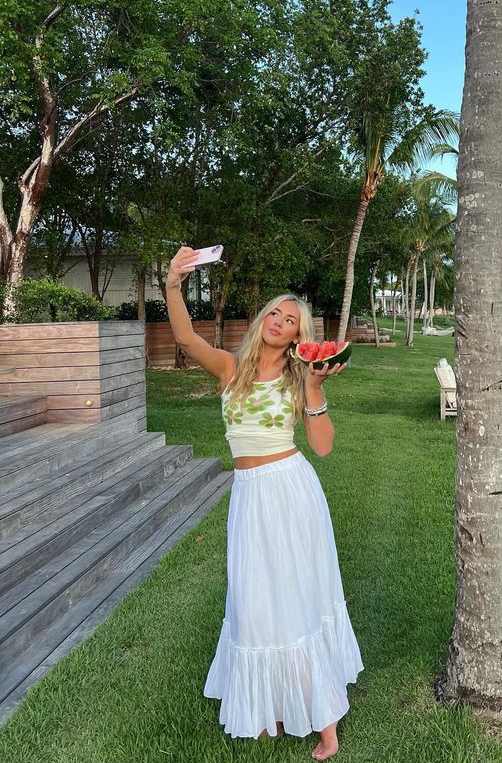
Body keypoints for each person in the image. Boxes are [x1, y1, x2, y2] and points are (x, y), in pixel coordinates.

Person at [165, 246, 363, 761]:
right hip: (249, 498)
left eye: (290, 319)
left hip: (291, 491)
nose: (278, 321)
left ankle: (326, 725)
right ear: (261, 321)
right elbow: (184, 336)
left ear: (300, 335)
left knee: (296, 599)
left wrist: (317, 388)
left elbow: (322, 446)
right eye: (274, 312)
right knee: (255, 603)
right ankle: (271, 704)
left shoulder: (301, 377)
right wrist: (172, 283)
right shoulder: (230, 368)